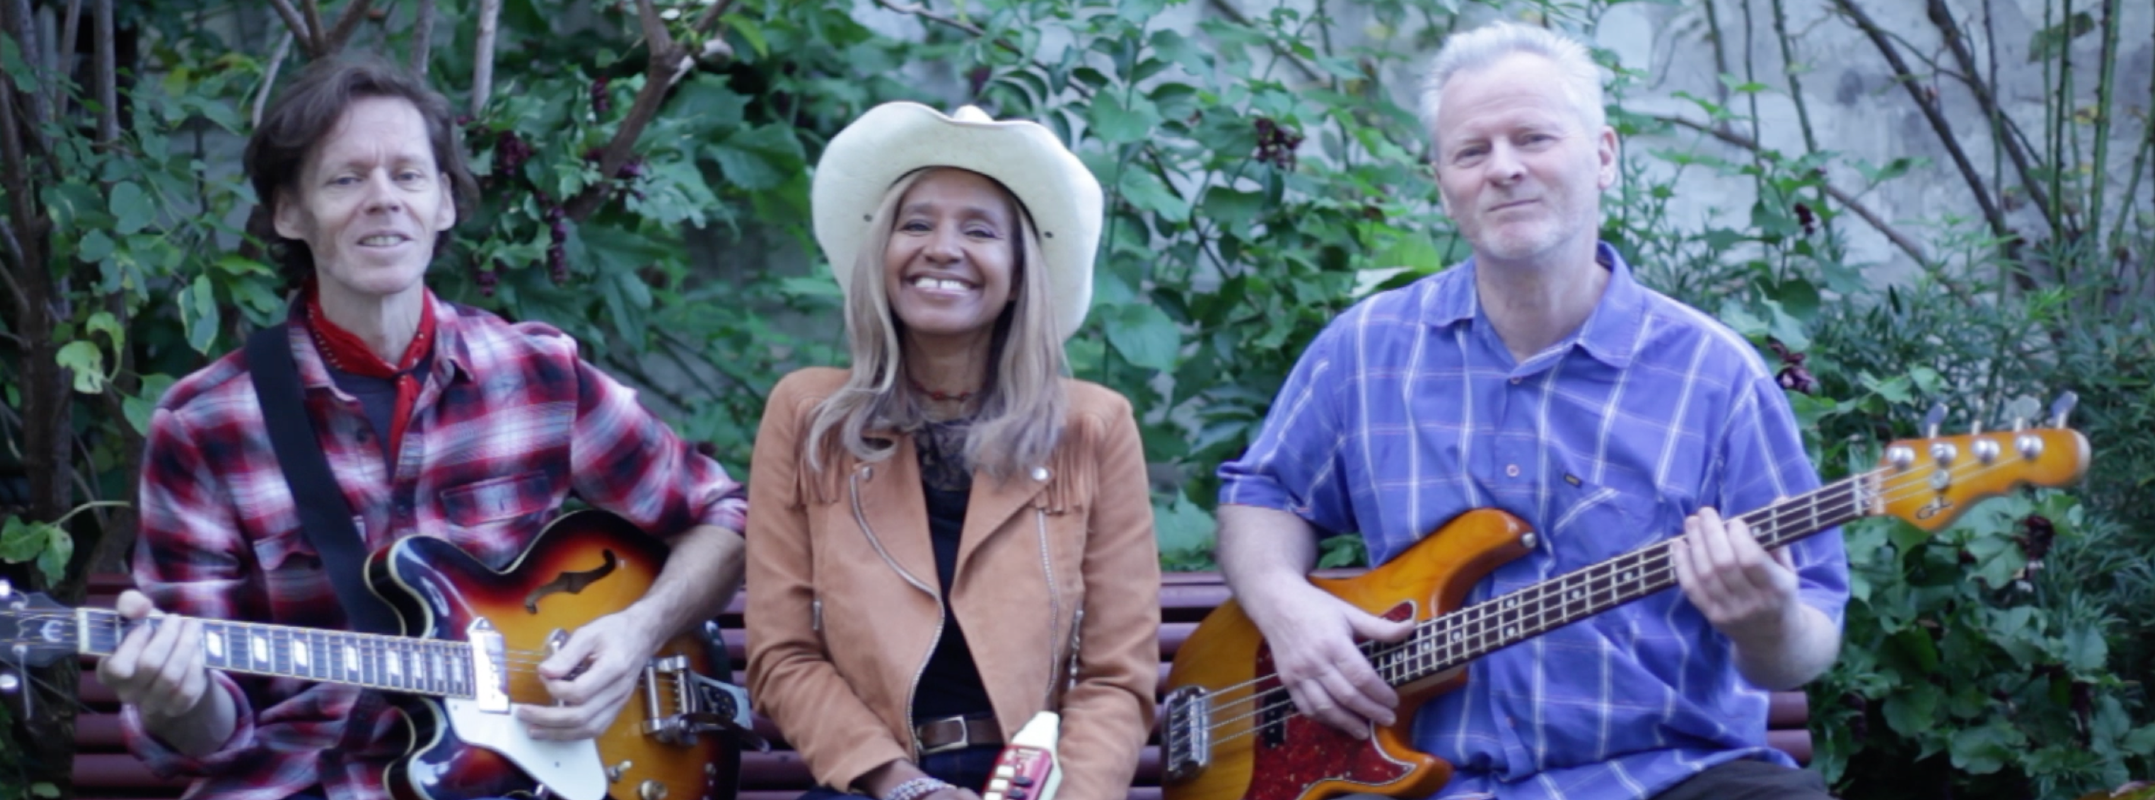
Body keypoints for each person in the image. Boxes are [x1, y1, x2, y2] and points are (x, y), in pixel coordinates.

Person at [1213, 21, 1849, 800]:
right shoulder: (1366, 347)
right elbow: (1264, 493)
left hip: (1664, 779)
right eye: (1471, 152)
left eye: (1534, 138)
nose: (1504, 169)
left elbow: (1806, 640)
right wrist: (1286, 607)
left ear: (1604, 156)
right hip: (1415, 781)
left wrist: (1766, 622)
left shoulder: (1716, 377)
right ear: (1442, 183)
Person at [93, 54, 748, 800]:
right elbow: (201, 739)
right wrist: (177, 699)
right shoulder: (207, 423)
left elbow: (721, 518)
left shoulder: (537, 372)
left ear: (443, 201)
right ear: (288, 213)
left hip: (530, 778)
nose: (382, 200)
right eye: (345, 179)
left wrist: (636, 635)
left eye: (408, 175)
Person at [743, 102, 1160, 800]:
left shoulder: (1093, 425)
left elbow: (1117, 676)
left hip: (1039, 783)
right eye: (916, 224)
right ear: (883, 256)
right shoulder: (807, 415)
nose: (942, 248)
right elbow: (783, 653)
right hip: (873, 784)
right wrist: (903, 785)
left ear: (1020, 271)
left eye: (978, 230)